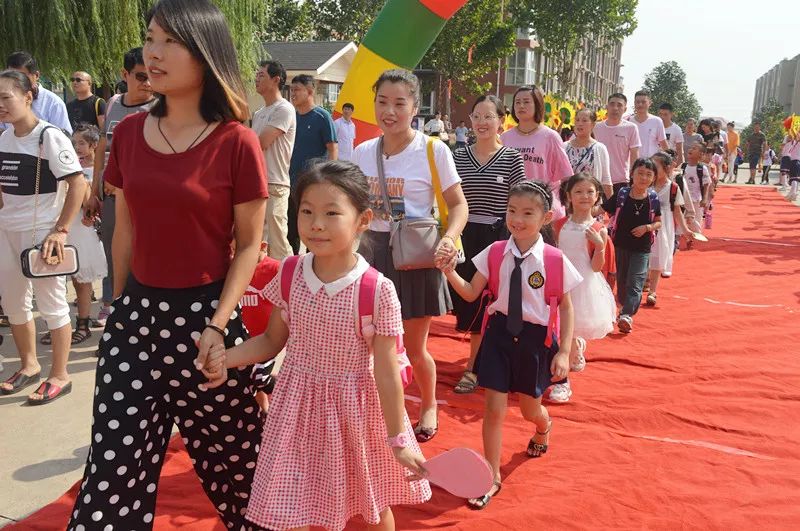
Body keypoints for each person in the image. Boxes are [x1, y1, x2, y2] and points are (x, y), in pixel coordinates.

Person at [67, 2, 268, 529]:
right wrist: (119, 301)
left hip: (207, 324)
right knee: (113, 465)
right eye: (149, 39)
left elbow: (249, 244)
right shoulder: (129, 134)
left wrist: (220, 325)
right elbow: (126, 226)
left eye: (168, 42)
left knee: (239, 466)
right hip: (135, 319)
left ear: (205, 54)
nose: (151, 53)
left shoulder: (237, 142)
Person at [200, 160, 431, 530]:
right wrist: (225, 360)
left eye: (331, 213)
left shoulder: (376, 289)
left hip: (357, 411)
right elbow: (272, 341)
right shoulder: (290, 272)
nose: (316, 224)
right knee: (306, 502)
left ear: (363, 219)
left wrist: (398, 438)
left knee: (371, 502)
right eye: (306, 212)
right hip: (297, 407)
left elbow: (387, 372)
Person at [439, 180, 580, 509]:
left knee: (531, 410)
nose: (517, 219)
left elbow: (567, 307)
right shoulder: (495, 252)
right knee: (493, 409)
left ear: (545, 217)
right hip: (499, 335)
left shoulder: (555, 259)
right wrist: (448, 271)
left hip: (535, 339)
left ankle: (544, 427)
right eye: (512, 211)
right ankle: (491, 476)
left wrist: (562, 351)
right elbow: (472, 293)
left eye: (527, 212)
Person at [352, 69, 468, 443]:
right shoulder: (362, 152)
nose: (390, 111)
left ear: (415, 107)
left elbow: (458, 205)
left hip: (415, 258)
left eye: (399, 103)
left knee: (414, 348)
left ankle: (429, 404)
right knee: (369, 345)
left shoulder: (433, 150)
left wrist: (450, 238)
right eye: (382, 102)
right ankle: (380, 411)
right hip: (370, 256)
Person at [0, 70, 86, 403]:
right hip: (7, 230)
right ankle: (29, 365)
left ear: (28, 97)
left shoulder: (48, 137)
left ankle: (60, 375)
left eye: (7, 97)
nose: (2, 105)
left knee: (51, 305)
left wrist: (60, 230)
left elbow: (77, 183)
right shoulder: (5, 138)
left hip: (42, 234)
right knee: (14, 303)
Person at [450, 95, 526, 395]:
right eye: (476, 116)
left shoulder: (511, 158)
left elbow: (519, 200)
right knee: (467, 303)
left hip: (497, 239)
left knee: (489, 304)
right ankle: (480, 360)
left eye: (488, 116)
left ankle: (473, 367)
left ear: (501, 121)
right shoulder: (457, 156)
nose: (482, 123)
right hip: (463, 237)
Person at [85, 47, 155, 328]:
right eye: (140, 76)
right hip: (111, 193)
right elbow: (103, 145)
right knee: (113, 248)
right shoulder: (113, 103)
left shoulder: (160, 107)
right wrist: (94, 188)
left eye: (150, 75)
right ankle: (111, 304)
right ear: (125, 75)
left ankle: (140, 304)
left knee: (144, 249)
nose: (147, 82)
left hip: (144, 196)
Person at [550, 173, 616, 402]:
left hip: (584, 284)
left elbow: (597, 268)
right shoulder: (558, 226)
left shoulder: (599, 228)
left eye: (590, 192)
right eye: (578, 191)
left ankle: (562, 382)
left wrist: (599, 247)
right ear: (568, 196)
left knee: (570, 327)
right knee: (557, 330)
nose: (584, 196)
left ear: (597, 196)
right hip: (559, 284)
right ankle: (571, 352)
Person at [602, 159, 662, 334]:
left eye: (648, 174)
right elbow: (602, 208)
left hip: (642, 248)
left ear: (653, 178)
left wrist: (647, 228)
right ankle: (623, 306)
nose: (644, 177)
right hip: (619, 245)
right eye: (640, 173)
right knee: (621, 282)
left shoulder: (653, 198)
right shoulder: (622, 194)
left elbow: (659, 222)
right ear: (632, 174)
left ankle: (627, 315)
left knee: (635, 282)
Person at [501, 85, 573, 219]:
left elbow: (566, 177)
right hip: (513, 212)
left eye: (526, 102)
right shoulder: (505, 137)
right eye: (517, 102)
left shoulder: (551, 137)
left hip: (544, 213)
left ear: (538, 104)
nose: (521, 106)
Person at [65, 125, 108, 345]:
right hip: (66, 230)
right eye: (74, 143)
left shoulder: (85, 174)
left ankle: (82, 324)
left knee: (82, 281)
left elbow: (87, 205)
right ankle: (64, 327)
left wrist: (81, 183)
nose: (76, 147)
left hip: (82, 232)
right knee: (66, 281)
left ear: (93, 146)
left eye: (81, 143)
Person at [288, 74, 337, 253]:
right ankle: (295, 262)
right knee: (291, 227)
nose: (293, 94)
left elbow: (332, 148)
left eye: (297, 90)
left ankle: (313, 262)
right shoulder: (290, 116)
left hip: (313, 183)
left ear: (309, 91)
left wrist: (331, 179)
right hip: (291, 182)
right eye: (291, 90)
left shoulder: (322, 116)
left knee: (313, 226)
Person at [252, 59, 295, 260]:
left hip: (276, 183)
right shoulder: (259, 113)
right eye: (256, 74)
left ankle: (290, 280)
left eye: (261, 75)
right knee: (257, 238)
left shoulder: (284, 109)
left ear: (276, 80)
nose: (256, 78)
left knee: (277, 238)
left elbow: (260, 143)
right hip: (258, 182)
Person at [237, 240, 280, 413]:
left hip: (268, 339)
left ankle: (291, 393)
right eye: (231, 250)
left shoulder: (275, 269)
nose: (234, 255)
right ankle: (265, 410)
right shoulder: (235, 269)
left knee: (260, 377)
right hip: (245, 338)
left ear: (262, 246)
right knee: (251, 379)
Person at [646, 152, 693, 305]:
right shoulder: (646, 184)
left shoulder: (673, 188)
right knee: (644, 254)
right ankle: (644, 281)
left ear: (666, 168)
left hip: (663, 226)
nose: (651, 170)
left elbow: (677, 211)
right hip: (646, 222)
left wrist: (685, 230)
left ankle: (653, 290)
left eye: (656, 166)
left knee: (658, 255)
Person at [1, 51, 72, 134]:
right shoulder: (3, 102)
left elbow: (64, 136)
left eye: (22, 76)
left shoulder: (54, 103)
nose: (16, 82)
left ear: (36, 75)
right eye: (12, 76)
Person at [594, 93, 641, 196]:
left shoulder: (631, 128)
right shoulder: (596, 127)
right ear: (607, 107)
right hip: (597, 181)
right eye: (612, 104)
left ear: (625, 109)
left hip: (620, 181)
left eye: (619, 105)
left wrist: (634, 179)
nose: (615, 108)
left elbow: (634, 155)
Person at [564, 108, 613, 199]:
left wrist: (613, 206)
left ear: (593, 124)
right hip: (569, 202)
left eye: (584, 120)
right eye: (577, 120)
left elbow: (606, 180)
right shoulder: (564, 147)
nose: (579, 123)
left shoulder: (599, 148)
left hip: (591, 202)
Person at [627, 90, 668, 159]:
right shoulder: (628, 121)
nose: (640, 104)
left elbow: (663, 143)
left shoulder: (657, 121)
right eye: (637, 102)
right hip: (633, 165)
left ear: (650, 103)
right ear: (634, 103)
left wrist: (668, 163)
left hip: (651, 165)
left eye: (643, 102)